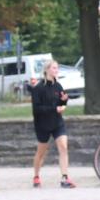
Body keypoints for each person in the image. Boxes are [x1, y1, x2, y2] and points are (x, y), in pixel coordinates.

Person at [30, 58, 75, 188]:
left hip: (57, 123)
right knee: (41, 152)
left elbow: (61, 101)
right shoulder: (38, 88)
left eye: (57, 68)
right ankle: (36, 176)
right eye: (54, 68)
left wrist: (64, 103)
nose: (56, 70)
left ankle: (65, 178)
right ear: (47, 70)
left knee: (63, 147)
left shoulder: (58, 85)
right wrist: (54, 109)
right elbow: (37, 109)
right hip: (42, 125)